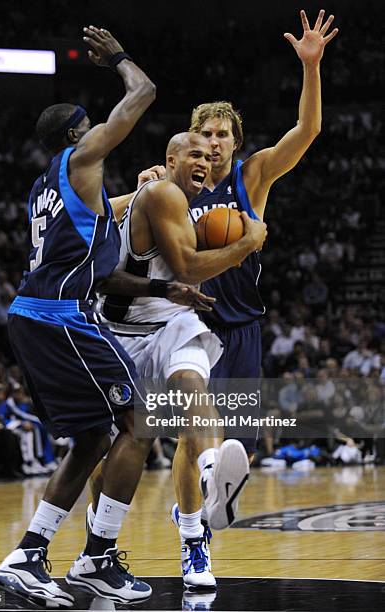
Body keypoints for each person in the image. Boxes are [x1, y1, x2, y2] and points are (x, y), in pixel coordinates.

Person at [0, 26, 212, 608]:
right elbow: (144, 92)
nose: (100, 134)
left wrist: (170, 292)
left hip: (37, 314)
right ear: (76, 135)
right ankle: (96, 557)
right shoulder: (80, 156)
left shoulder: (47, 191)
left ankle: (30, 554)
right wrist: (117, 59)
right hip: (61, 317)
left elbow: (98, 272)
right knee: (139, 422)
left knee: (92, 437)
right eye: (92, 126)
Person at [138, 8, 338, 580]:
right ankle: (192, 543)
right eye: (206, 135)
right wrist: (149, 183)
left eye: (224, 135)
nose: (215, 143)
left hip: (242, 326)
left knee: (231, 451)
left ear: (236, 142)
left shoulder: (253, 178)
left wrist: (311, 67)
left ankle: (210, 508)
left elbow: (308, 132)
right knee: (190, 438)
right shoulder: (172, 183)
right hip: (185, 327)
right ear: (191, 142)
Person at [98, 131, 267, 588]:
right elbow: (188, 267)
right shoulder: (160, 192)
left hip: (177, 320)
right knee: (111, 448)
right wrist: (248, 243)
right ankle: (98, 549)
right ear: (170, 159)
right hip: (122, 330)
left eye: (216, 144)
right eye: (197, 147)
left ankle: (210, 485)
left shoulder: (200, 197)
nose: (208, 154)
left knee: (194, 388)